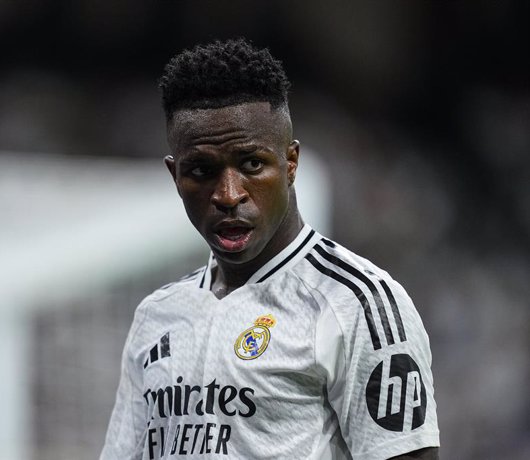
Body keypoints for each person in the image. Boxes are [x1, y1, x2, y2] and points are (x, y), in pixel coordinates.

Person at [100, 38, 440, 460]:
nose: (227, 194)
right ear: (175, 175)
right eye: (202, 171)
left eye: (251, 164)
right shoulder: (156, 315)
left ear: (291, 162)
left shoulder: (357, 303)